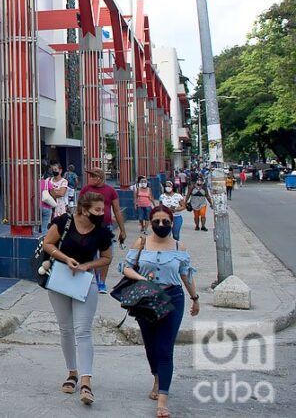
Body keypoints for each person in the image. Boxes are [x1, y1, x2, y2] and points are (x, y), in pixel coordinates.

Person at [120, 205, 200, 418]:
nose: (161, 225)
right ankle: (157, 377)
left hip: (173, 299)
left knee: (165, 349)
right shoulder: (141, 243)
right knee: (151, 345)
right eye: (157, 221)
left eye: (166, 222)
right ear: (150, 222)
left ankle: (162, 399)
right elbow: (126, 267)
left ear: (172, 223)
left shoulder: (178, 246)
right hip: (146, 299)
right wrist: (140, 278)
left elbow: (186, 274)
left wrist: (195, 298)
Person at [41, 191, 113, 406]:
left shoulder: (102, 231)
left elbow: (107, 258)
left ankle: (86, 382)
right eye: (97, 210)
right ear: (83, 208)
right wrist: (66, 259)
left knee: (83, 331)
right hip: (60, 279)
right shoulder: (64, 222)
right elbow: (48, 244)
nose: (101, 213)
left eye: (103, 210)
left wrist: (86, 266)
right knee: (65, 328)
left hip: (85, 282)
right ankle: (71, 373)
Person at [80, 168, 126, 293]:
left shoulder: (111, 191)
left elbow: (116, 210)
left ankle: (102, 282)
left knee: (106, 256)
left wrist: (122, 230)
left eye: (92, 177)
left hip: (106, 227)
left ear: (99, 178)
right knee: (91, 255)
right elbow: (79, 208)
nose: (89, 179)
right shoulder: (85, 190)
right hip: (89, 227)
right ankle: (93, 279)